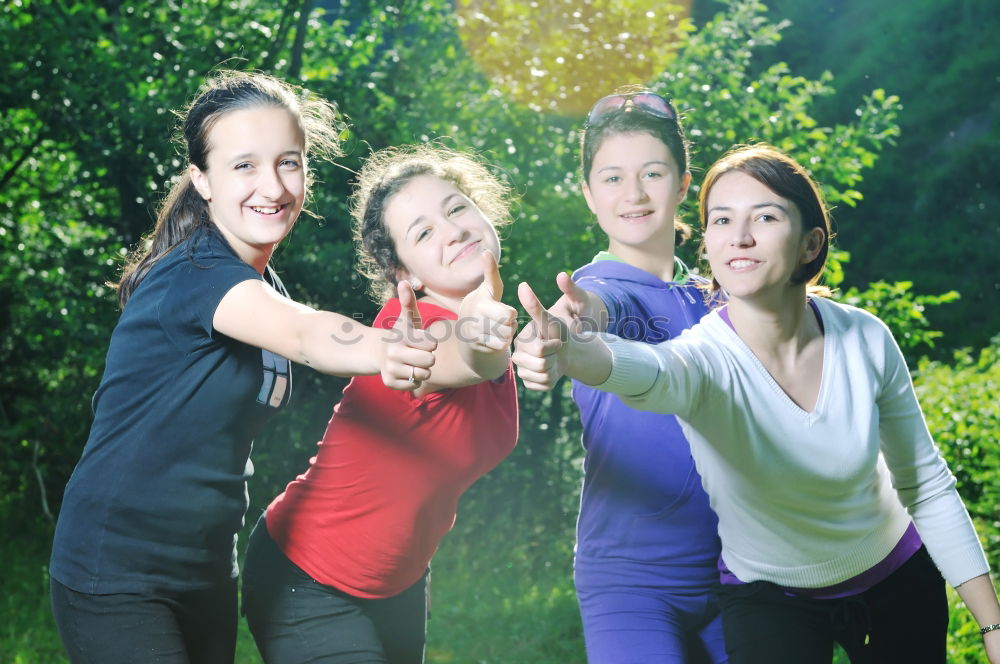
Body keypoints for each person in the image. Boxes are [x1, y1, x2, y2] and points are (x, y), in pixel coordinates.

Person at [513, 143, 1000, 663]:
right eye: (721, 219)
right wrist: (570, 351)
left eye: (765, 216)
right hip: (770, 600)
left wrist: (992, 626)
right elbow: (641, 370)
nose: (739, 237)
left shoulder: (865, 337)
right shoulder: (701, 360)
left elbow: (925, 485)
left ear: (811, 243)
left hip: (896, 579)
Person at [48, 71, 437, 664]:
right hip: (118, 573)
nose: (273, 186)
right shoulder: (197, 272)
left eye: (289, 162)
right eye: (244, 166)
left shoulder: (261, 280)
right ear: (202, 181)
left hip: (205, 570)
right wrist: (390, 347)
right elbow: (308, 334)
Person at [241, 143, 520, 664]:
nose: (453, 230)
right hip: (306, 579)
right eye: (423, 232)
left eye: (457, 208)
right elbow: (468, 356)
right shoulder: (405, 336)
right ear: (404, 275)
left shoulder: (486, 319)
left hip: (399, 587)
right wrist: (484, 332)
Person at [538, 87, 726, 663]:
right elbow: (598, 312)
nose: (635, 194)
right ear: (589, 194)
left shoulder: (717, 297)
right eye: (613, 178)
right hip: (630, 582)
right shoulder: (602, 289)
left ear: (684, 181)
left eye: (652, 172)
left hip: (741, 573)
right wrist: (573, 328)